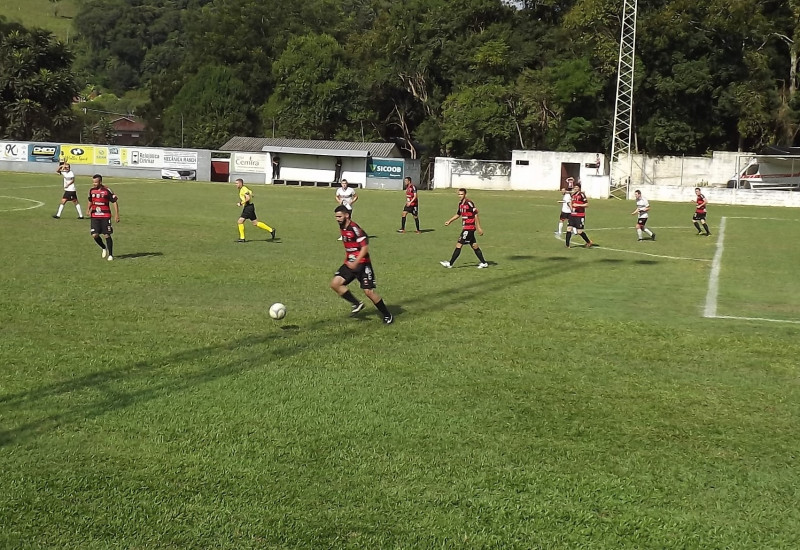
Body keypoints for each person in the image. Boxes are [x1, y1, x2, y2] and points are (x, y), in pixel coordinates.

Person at [330, 205, 393, 324]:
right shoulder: (343, 227)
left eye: (339, 216)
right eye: (336, 217)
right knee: (335, 284)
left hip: (363, 264)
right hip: (349, 263)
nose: (337, 219)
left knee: (369, 292)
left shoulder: (355, 228)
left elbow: (364, 247)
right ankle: (357, 303)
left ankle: (387, 315)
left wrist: (356, 262)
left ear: (347, 215)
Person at [440, 188, 489, 269]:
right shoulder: (460, 204)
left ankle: (450, 264)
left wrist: (479, 227)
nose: (460, 196)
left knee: (459, 244)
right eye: (459, 194)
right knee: (474, 245)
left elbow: (475, 214)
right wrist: (449, 221)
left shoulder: (469, 203)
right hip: (466, 227)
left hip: (469, 228)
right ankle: (484, 263)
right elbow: (458, 214)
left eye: (461, 194)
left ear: (465, 194)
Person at [87, 174, 119, 261]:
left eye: (96, 182)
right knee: (94, 235)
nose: (94, 184)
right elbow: (90, 200)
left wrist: (116, 214)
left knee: (106, 235)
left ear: (100, 182)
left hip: (105, 216)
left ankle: (111, 255)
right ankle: (103, 247)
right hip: (95, 216)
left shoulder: (107, 190)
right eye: (93, 182)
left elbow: (114, 202)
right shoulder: (92, 190)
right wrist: (88, 209)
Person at [235, 178, 276, 242]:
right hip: (250, 207)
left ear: (240, 183)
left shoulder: (243, 189)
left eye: (237, 183)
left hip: (248, 207)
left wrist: (240, 203)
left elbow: (248, 198)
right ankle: (271, 230)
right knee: (255, 223)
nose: (236, 185)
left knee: (240, 221)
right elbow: (251, 194)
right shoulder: (246, 189)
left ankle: (242, 238)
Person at [565, 182, 595, 249]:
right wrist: (570, 206)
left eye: (577, 187)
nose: (575, 189)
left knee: (579, 231)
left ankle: (588, 242)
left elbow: (586, 204)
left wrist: (578, 205)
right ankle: (567, 245)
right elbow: (571, 202)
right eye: (574, 187)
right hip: (572, 215)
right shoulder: (573, 195)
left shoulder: (582, 194)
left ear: (579, 188)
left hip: (580, 215)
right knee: (569, 228)